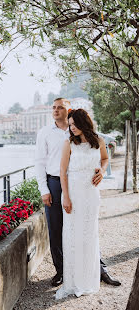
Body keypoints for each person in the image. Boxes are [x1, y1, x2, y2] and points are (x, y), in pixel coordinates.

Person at [35, 98, 121, 288]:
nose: (56, 111)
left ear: (69, 111)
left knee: (87, 228)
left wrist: (99, 168)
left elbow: (102, 156)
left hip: (82, 186)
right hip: (56, 183)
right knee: (56, 229)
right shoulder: (45, 133)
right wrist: (44, 190)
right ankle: (62, 272)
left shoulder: (79, 130)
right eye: (54, 108)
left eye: (60, 108)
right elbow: (39, 162)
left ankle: (99, 269)